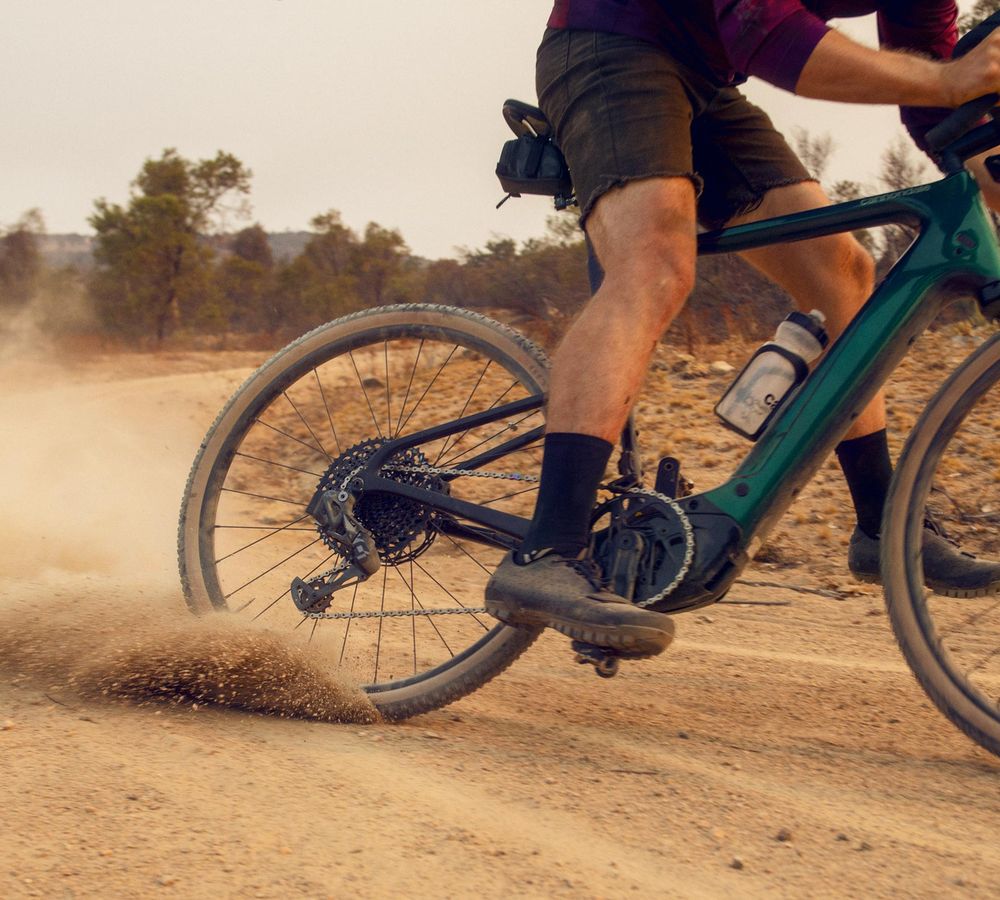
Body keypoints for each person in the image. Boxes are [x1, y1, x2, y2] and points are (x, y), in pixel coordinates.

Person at [485, 1, 1000, 657]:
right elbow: (761, 26)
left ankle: (882, 524)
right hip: (610, 42)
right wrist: (951, 82)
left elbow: (931, 87)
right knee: (655, 265)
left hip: (705, 72)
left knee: (841, 271)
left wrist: (983, 149)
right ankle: (546, 552)